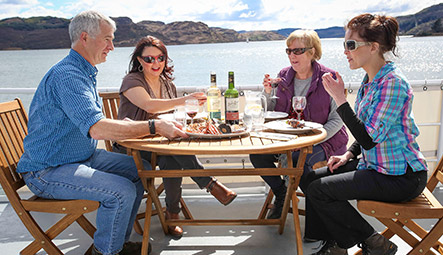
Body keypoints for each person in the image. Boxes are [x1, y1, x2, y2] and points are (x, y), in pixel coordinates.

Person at [15, 10, 186, 255]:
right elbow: (97, 129)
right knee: (122, 190)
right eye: (107, 39)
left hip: (80, 157)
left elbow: (94, 122)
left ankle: (116, 243)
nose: (112, 46)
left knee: (141, 171)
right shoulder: (68, 76)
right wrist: (154, 126)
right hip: (47, 169)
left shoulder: (84, 72)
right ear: (85, 38)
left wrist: (126, 125)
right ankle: (105, 252)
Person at [306, 14, 428, 254]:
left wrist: (340, 99)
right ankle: (337, 243)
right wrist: (349, 155)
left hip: (400, 177)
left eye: (350, 45)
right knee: (309, 179)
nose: (345, 51)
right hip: (375, 167)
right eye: (344, 45)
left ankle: (374, 243)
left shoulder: (393, 83)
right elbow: (367, 129)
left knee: (319, 190)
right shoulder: (371, 80)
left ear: (373, 47)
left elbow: (370, 139)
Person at [113, 35, 237, 238]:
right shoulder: (132, 81)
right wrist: (185, 100)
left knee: (172, 155)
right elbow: (149, 105)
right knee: (173, 151)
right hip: (132, 147)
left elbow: (170, 114)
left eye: (160, 58)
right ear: (139, 60)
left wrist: (192, 106)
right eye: (149, 59)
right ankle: (207, 186)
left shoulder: (166, 82)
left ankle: (173, 213)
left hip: (158, 144)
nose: (156, 63)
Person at [249, 29, 348, 219]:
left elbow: (338, 119)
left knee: (298, 161)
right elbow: (270, 112)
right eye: (288, 51)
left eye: (297, 51)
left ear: (312, 52)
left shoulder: (329, 78)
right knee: (257, 155)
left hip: (325, 140)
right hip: (288, 139)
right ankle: (282, 194)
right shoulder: (284, 76)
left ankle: (318, 216)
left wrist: (314, 139)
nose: (291, 55)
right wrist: (268, 92)